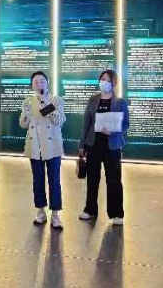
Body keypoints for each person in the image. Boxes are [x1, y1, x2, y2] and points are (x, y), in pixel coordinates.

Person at [78, 69, 130, 226]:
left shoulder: (120, 102)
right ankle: (90, 210)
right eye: (102, 79)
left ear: (114, 83)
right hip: (93, 144)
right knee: (92, 179)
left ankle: (117, 213)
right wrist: (82, 145)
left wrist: (113, 131)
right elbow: (86, 123)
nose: (104, 82)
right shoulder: (93, 100)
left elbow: (125, 124)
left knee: (114, 180)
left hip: (112, 146)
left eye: (108, 80)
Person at [19, 71, 67, 230]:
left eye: (42, 81)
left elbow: (59, 121)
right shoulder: (28, 101)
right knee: (38, 180)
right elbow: (23, 125)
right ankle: (40, 211)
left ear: (47, 83)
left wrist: (46, 105)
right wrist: (25, 116)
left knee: (54, 180)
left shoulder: (56, 100)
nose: (39, 84)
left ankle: (55, 214)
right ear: (32, 85)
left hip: (52, 147)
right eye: (35, 82)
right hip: (35, 147)